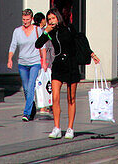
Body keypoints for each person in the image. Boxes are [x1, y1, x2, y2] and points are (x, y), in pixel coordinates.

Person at [35, 9, 99, 140]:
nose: (51, 21)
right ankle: (57, 127)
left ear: (58, 18)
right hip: (58, 64)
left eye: (53, 18)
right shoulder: (50, 33)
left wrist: (92, 54)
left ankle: (70, 128)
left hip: (71, 64)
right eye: (49, 19)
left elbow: (80, 42)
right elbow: (38, 44)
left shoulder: (69, 28)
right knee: (55, 98)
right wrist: (46, 31)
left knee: (71, 98)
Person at [7, 9, 42, 121]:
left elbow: (43, 46)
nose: (25, 22)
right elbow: (13, 46)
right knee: (26, 89)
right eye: (23, 19)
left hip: (35, 62)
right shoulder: (17, 31)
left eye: (27, 20)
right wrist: (10, 59)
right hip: (22, 63)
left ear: (31, 19)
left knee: (31, 85)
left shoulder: (37, 30)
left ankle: (26, 113)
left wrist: (44, 61)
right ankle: (32, 108)